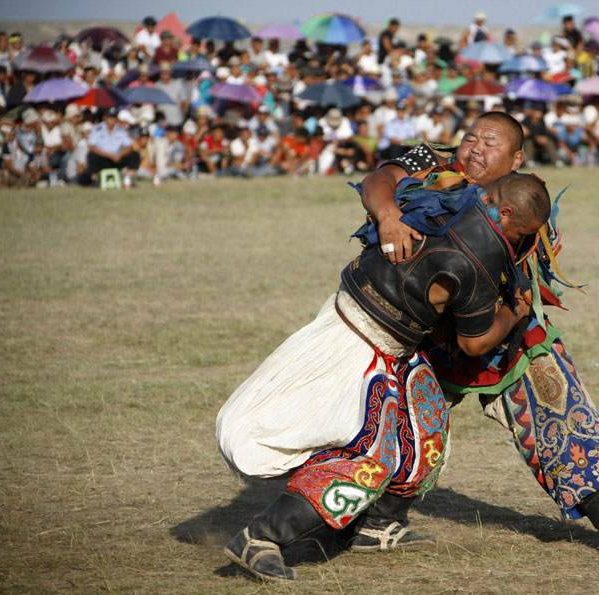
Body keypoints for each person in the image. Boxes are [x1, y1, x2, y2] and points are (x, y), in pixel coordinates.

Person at [217, 165, 550, 582]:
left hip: (379, 333)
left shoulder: (441, 192)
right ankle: (261, 537)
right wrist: (515, 311)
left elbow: (381, 178)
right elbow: (475, 343)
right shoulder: (484, 250)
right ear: (505, 214)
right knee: (370, 457)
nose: (520, 241)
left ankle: (376, 526)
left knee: (426, 430)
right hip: (362, 341)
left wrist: (388, 212)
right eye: (522, 233)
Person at [352, 111, 599, 560]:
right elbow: (380, 177)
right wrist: (389, 213)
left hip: (507, 333)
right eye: (471, 137)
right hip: (426, 337)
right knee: (401, 423)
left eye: (490, 143)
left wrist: (514, 313)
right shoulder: (433, 164)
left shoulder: (523, 201)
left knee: (562, 407)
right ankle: (374, 523)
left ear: (515, 160)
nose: (475, 148)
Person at [80, 107, 139, 185]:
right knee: (92, 155)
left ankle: (128, 178)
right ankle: (94, 179)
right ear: (105, 117)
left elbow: (129, 146)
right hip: (103, 158)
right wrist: (110, 155)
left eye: (114, 117)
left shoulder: (120, 130)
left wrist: (120, 155)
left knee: (134, 155)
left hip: (117, 158)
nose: (112, 120)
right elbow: (92, 147)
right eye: (110, 117)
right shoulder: (97, 129)